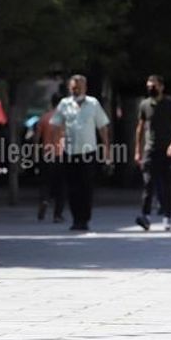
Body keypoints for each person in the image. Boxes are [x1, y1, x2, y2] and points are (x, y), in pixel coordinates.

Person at [50, 75, 111, 231]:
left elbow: (102, 127)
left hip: (88, 151)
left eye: (79, 87)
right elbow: (56, 126)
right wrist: (56, 147)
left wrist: (106, 148)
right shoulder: (64, 104)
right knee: (72, 187)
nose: (76, 90)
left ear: (85, 88)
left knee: (86, 186)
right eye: (73, 87)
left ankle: (84, 218)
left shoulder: (93, 103)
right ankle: (76, 219)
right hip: (69, 151)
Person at [135, 75, 171, 232]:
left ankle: (167, 217)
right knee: (148, 183)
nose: (151, 88)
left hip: (167, 150)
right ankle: (146, 216)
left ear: (161, 87)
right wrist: (137, 150)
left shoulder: (170, 104)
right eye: (149, 86)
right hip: (150, 149)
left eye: (154, 86)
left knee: (167, 184)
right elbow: (140, 128)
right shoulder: (144, 105)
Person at [35, 94, 66, 223]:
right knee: (61, 186)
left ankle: (44, 199)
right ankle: (57, 215)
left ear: (52, 103)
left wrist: (35, 154)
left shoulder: (44, 117)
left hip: (46, 155)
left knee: (45, 182)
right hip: (61, 155)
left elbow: (37, 138)